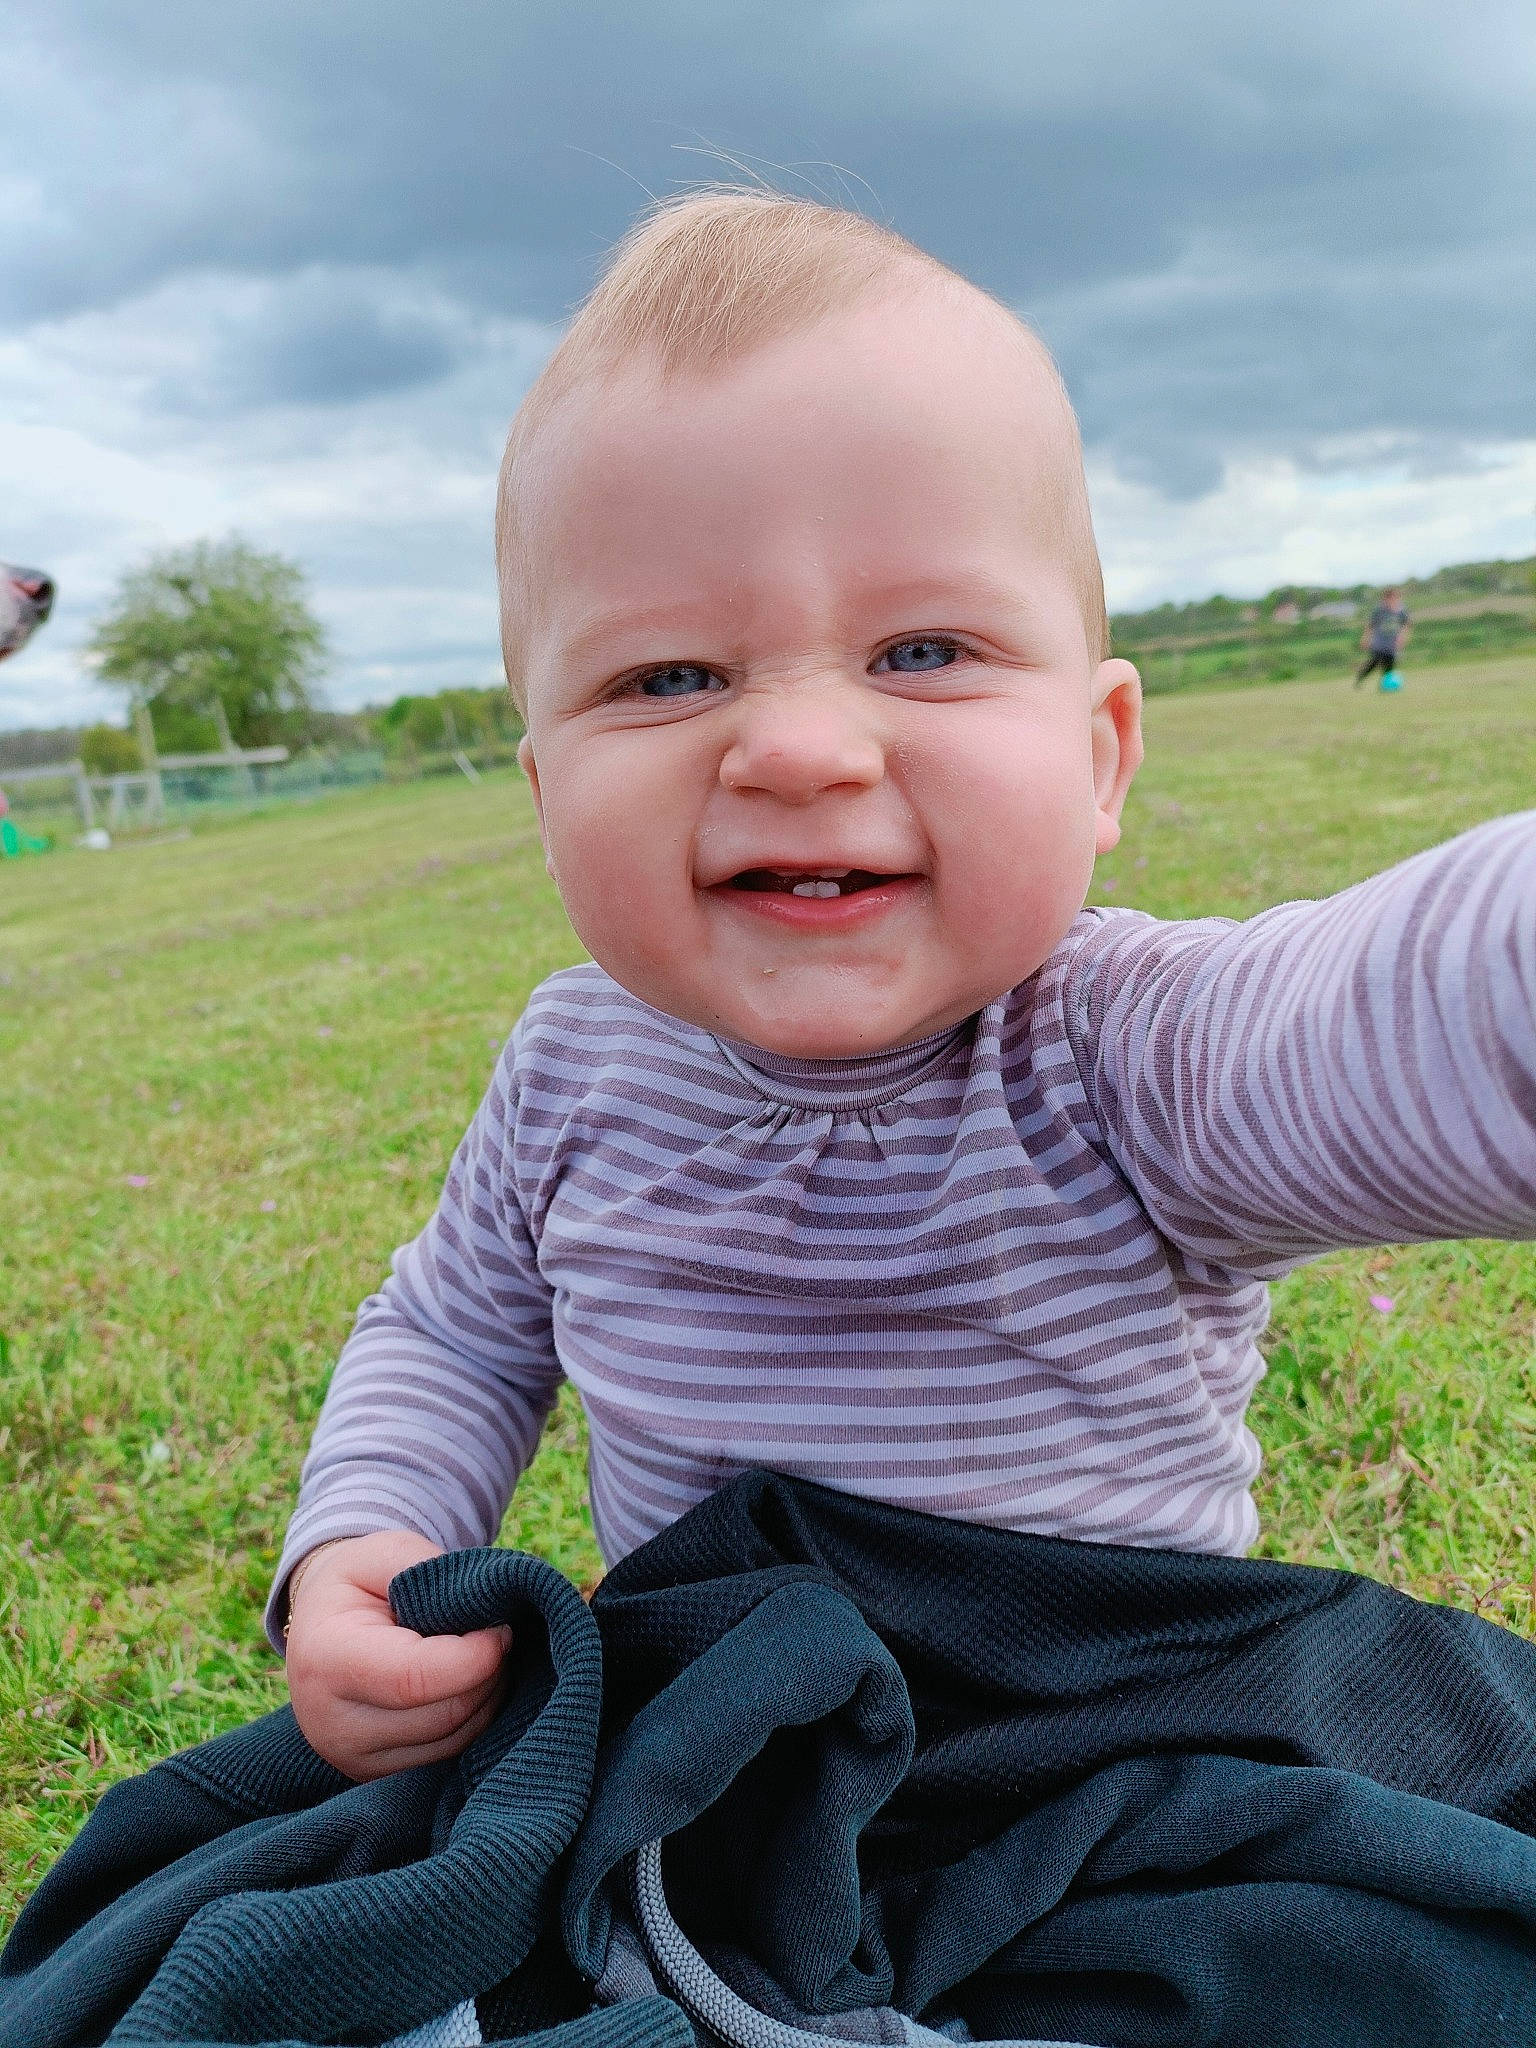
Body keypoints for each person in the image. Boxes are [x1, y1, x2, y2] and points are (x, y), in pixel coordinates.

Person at [273, 191, 1536, 1783]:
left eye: (925, 650)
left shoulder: (1117, 1050)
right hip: (717, 1771)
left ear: (1099, 760)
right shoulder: (573, 1067)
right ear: (542, 797)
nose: (799, 748)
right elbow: (455, 1331)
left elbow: (1389, 1011)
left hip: (1123, 1775)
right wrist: (369, 1539)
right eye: (669, 678)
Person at [1354, 584, 1411, 686]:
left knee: (1389, 666)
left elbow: (1406, 624)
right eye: (1390, 598)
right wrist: (1365, 639)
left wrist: (1402, 638)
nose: (1393, 600)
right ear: (1385, 599)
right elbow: (1370, 625)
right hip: (1379, 643)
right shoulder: (1379, 610)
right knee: (1374, 663)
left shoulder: (1401, 611)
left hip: (1392, 644)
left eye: (1395, 598)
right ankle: (1361, 677)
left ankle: (1386, 685)